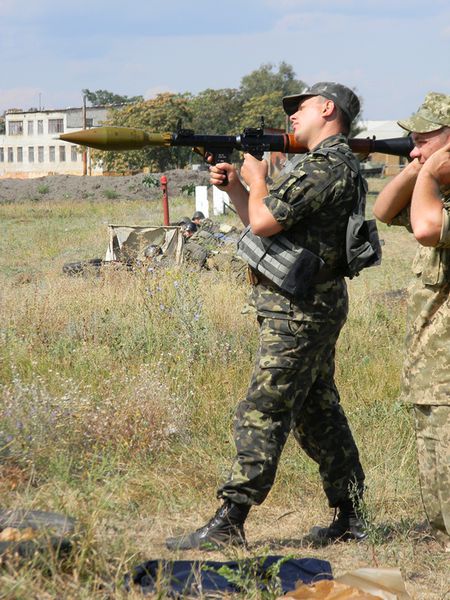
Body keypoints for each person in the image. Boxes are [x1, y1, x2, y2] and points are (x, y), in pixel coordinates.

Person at [166, 82, 367, 551]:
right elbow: (261, 225)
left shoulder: (326, 166)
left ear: (326, 108)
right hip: (304, 305)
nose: (292, 117)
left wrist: (257, 180)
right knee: (317, 412)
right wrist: (239, 186)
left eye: (298, 109)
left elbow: (263, 220)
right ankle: (352, 512)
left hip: (300, 311)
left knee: (264, 408)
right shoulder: (325, 166)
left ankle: (230, 520)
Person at [373, 92, 450, 550]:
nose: (414, 149)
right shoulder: (433, 187)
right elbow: (384, 211)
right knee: (434, 467)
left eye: (423, 141)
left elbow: (425, 228)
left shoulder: (435, 199)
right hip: (431, 367)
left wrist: (429, 171)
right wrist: (419, 165)